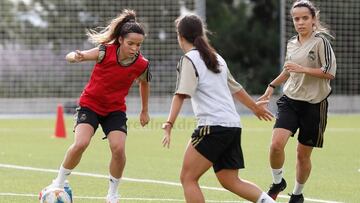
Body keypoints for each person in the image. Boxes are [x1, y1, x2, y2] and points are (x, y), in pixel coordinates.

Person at [162, 14, 276, 203]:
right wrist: (254, 108)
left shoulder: (189, 59)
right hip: (232, 126)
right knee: (230, 180)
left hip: (212, 127)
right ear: (201, 34)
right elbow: (236, 88)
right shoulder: (217, 58)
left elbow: (181, 94)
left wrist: (169, 123)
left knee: (188, 178)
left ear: (180, 36)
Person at [40, 9, 151, 203]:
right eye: (130, 43)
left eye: (138, 44)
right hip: (90, 105)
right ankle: (58, 183)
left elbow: (144, 83)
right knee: (81, 143)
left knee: (118, 149)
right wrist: (75, 56)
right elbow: (80, 55)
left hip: (115, 110)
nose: (135, 48)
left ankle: (112, 194)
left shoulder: (142, 64)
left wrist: (144, 110)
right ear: (120, 40)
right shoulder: (104, 51)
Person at [258, 1, 337, 202]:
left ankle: (297, 194)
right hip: (290, 100)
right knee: (276, 145)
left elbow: (329, 73)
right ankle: (278, 182)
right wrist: (271, 86)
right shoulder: (292, 43)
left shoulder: (321, 42)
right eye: (296, 18)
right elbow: (288, 69)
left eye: (304, 18)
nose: (300, 22)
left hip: (314, 105)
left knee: (303, 155)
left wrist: (303, 70)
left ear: (313, 20)